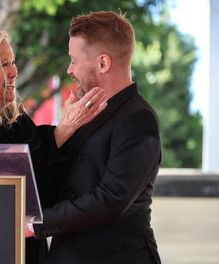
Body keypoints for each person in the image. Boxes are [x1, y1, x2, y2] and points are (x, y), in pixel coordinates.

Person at [0, 28, 107, 264]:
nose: (14, 71)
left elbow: (43, 186)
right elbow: (7, 176)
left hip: (29, 246)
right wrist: (64, 129)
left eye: (13, 62)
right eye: (3, 64)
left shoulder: (15, 116)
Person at [27, 11, 162, 264]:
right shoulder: (83, 112)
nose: (69, 69)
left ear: (103, 63)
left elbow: (111, 199)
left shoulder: (139, 119)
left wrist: (34, 223)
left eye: (74, 60)